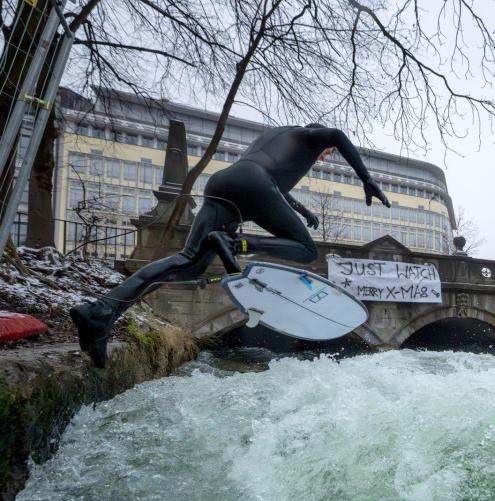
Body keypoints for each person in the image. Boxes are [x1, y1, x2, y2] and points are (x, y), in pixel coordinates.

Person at [70, 124, 390, 368]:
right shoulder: (311, 136)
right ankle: (237, 242)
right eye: (328, 152)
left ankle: (101, 312)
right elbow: (336, 134)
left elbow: (271, 183)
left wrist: (303, 211)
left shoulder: (275, 137)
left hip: (224, 185)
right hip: (253, 188)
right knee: (306, 251)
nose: (326, 155)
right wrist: (366, 178)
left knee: (189, 262)